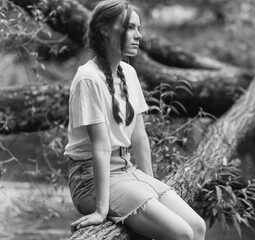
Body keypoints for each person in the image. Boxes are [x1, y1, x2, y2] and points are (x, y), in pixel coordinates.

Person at [64, 1, 206, 239]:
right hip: (89, 179)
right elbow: (100, 146)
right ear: (105, 29)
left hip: (126, 169)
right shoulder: (88, 78)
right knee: (181, 234)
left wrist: (149, 186)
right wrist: (101, 209)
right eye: (130, 28)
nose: (138, 36)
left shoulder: (128, 73)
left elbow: (139, 137)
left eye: (139, 28)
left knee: (198, 226)